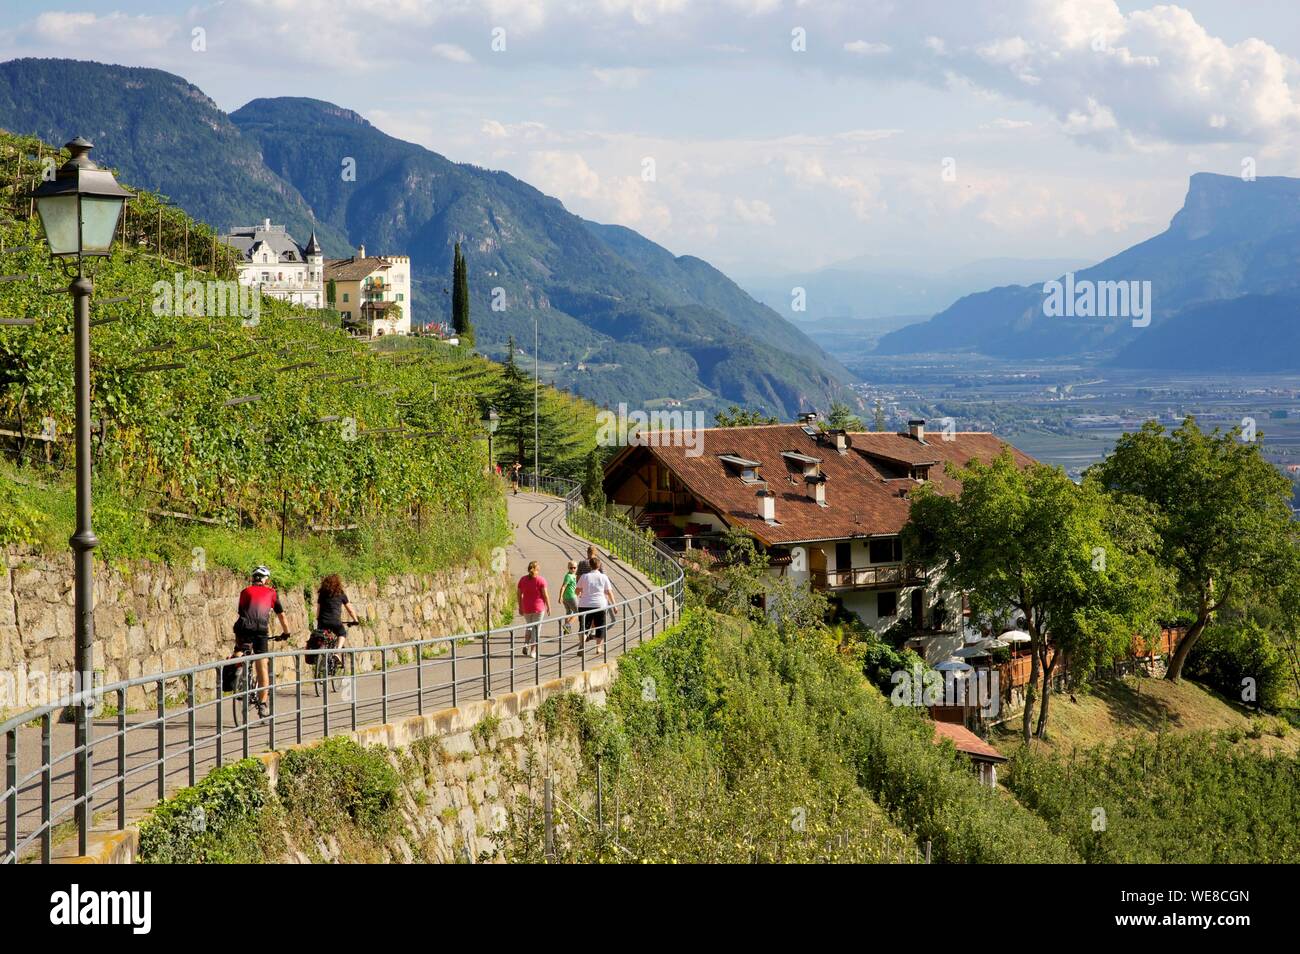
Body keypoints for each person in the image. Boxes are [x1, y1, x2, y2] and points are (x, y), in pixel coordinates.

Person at [234, 566, 291, 717]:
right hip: (260, 631)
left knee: (240, 648)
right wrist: (286, 632)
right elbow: (282, 616)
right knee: (262, 665)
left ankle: (237, 668)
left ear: (253, 579)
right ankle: (263, 704)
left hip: (243, 628)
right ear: (267, 580)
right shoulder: (271, 592)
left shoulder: (245, 592)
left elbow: (241, 612)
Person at [576, 556, 616, 648]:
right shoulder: (603, 577)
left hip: (584, 604)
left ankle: (582, 643)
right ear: (599, 566)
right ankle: (598, 648)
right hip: (600, 604)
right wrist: (614, 605)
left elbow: (577, 591)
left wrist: (580, 593)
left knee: (584, 626)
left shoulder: (584, 576)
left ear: (590, 565)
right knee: (600, 626)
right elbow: (609, 592)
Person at [316, 573, 360, 652]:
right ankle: (338, 651)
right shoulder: (341, 594)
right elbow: (350, 610)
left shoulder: (322, 594)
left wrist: (317, 618)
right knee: (342, 633)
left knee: (321, 636)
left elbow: (318, 609)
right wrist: (355, 620)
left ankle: (320, 653)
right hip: (335, 622)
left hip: (322, 621)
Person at [517, 561, 551, 657]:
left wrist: (520, 606)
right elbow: (545, 595)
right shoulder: (541, 580)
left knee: (529, 627)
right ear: (537, 570)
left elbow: (519, 594)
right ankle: (533, 651)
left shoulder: (522, 580)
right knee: (536, 629)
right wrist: (549, 606)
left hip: (526, 607)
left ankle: (526, 644)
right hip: (538, 608)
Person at [560, 560, 579, 634]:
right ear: (568, 568)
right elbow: (563, 587)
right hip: (571, 597)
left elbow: (574, 586)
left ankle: (566, 630)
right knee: (578, 612)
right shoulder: (569, 576)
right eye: (571, 568)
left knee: (568, 612)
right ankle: (567, 624)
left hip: (567, 597)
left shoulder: (573, 575)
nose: (573, 569)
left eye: (574, 568)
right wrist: (560, 597)